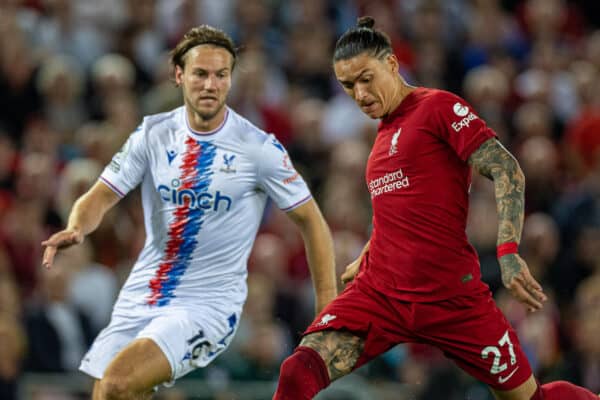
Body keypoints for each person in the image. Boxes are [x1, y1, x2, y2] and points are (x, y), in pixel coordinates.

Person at [273, 17, 599, 400]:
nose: (359, 94)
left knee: (529, 398)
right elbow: (400, 212)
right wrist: (367, 251)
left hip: (451, 300)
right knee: (298, 370)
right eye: (348, 86)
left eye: (366, 78)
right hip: (383, 295)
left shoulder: (438, 108)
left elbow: (505, 167)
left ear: (392, 64)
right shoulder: (379, 143)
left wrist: (508, 252)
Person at [41, 25, 337, 399]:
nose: (211, 85)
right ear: (179, 75)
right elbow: (100, 194)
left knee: (118, 383)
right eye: (200, 74)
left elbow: (311, 220)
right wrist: (77, 227)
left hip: (207, 304)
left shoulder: (258, 148)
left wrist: (327, 308)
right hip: (144, 290)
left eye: (221, 75)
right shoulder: (152, 134)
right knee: (108, 392)